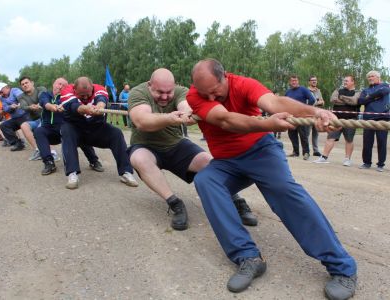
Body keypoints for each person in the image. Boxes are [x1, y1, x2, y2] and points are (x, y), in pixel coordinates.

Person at [187, 59, 357, 300]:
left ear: (224, 76)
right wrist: (267, 122)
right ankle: (248, 257)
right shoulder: (197, 95)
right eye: (206, 94)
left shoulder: (243, 84)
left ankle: (343, 268)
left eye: (215, 92)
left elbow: (275, 103)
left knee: (285, 191)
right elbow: (225, 120)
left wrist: (316, 111)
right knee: (205, 181)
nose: (211, 98)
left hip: (261, 151)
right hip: (227, 163)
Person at [128, 68, 258, 231]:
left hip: (175, 143)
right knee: (139, 158)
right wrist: (169, 118)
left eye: (169, 92)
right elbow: (142, 120)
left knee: (209, 162)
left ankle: (235, 198)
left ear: (174, 86)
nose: (165, 97)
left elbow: (186, 105)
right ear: (149, 85)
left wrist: (188, 112)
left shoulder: (181, 91)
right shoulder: (138, 92)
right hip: (145, 145)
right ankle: (175, 203)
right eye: (159, 92)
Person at [60, 76, 138, 189]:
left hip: (96, 130)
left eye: (88, 93)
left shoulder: (100, 88)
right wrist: (85, 109)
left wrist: (100, 107)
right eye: (82, 95)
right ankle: (72, 173)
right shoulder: (67, 90)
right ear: (74, 89)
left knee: (116, 133)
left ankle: (126, 172)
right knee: (66, 130)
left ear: (92, 87)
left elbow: (101, 99)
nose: (86, 97)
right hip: (76, 131)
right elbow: (74, 106)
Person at [34, 77, 100, 176]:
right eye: (59, 84)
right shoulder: (45, 94)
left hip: (66, 127)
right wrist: (53, 107)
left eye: (64, 85)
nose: (60, 87)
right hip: (50, 130)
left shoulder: (68, 97)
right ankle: (49, 163)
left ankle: (94, 161)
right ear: (53, 84)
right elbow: (45, 103)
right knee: (39, 131)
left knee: (79, 131)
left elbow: (75, 105)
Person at [314, 76, 360, 166]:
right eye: (344, 81)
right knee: (330, 137)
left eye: (347, 81)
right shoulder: (338, 90)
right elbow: (333, 99)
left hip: (350, 119)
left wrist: (341, 98)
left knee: (349, 140)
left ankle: (347, 159)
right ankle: (324, 157)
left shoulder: (358, 92)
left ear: (353, 82)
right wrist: (347, 100)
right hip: (335, 119)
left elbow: (354, 101)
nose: (345, 82)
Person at [357, 70, 390, 172]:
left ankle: (380, 164)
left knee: (381, 141)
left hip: (382, 117)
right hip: (368, 118)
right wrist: (374, 97)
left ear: (378, 77)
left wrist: (369, 97)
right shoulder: (365, 90)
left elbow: (382, 92)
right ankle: (366, 163)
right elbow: (360, 101)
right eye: (369, 77)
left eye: (372, 76)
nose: (370, 78)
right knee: (367, 142)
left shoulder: (385, 85)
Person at [285, 75, 316, 160]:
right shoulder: (288, 92)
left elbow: (312, 99)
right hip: (291, 117)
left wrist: (305, 109)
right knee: (292, 134)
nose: (294, 82)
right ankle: (295, 152)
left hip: (301, 117)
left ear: (298, 81)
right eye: (292, 81)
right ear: (290, 82)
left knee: (303, 135)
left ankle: (306, 153)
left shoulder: (303, 89)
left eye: (295, 80)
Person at [17, 76, 47, 160]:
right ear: (21, 87)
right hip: (35, 120)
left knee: (39, 129)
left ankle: (51, 153)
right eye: (22, 84)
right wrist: (30, 107)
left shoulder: (41, 89)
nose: (25, 85)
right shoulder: (21, 97)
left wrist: (39, 104)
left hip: (46, 117)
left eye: (26, 83)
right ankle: (38, 150)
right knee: (23, 125)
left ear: (32, 83)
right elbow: (23, 106)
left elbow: (43, 97)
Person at [0, 82, 28, 151]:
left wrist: (18, 103)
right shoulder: (2, 98)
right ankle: (18, 144)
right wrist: (11, 107)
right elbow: (5, 108)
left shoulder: (15, 90)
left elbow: (22, 98)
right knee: (3, 126)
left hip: (25, 115)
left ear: (6, 88)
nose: (0, 93)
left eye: (1, 91)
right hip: (15, 118)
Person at [308, 76, 325, 156]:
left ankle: (315, 150)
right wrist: (317, 102)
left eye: (315, 80)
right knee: (306, 133)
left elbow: (322, 101)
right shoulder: (306, 91)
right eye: (313, 80)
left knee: (316, 133)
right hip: (309, 114)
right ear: (309, 82)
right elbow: (307, 102)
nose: (314, 82)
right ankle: (306, 150)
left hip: (317, 114)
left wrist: (319, 102)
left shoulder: (318, 91)